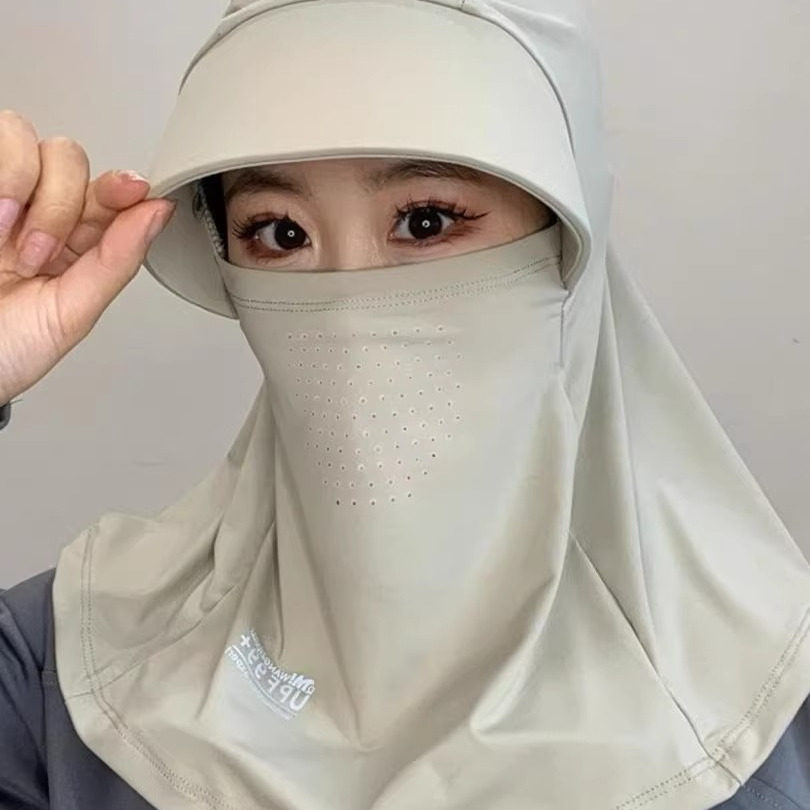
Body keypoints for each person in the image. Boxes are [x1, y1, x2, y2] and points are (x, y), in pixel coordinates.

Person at [1, 1, 810, 809]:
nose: (350, 308)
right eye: (280, 233)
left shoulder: (768, 712)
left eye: (426, 221)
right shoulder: (62, 669)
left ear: (568, 241)